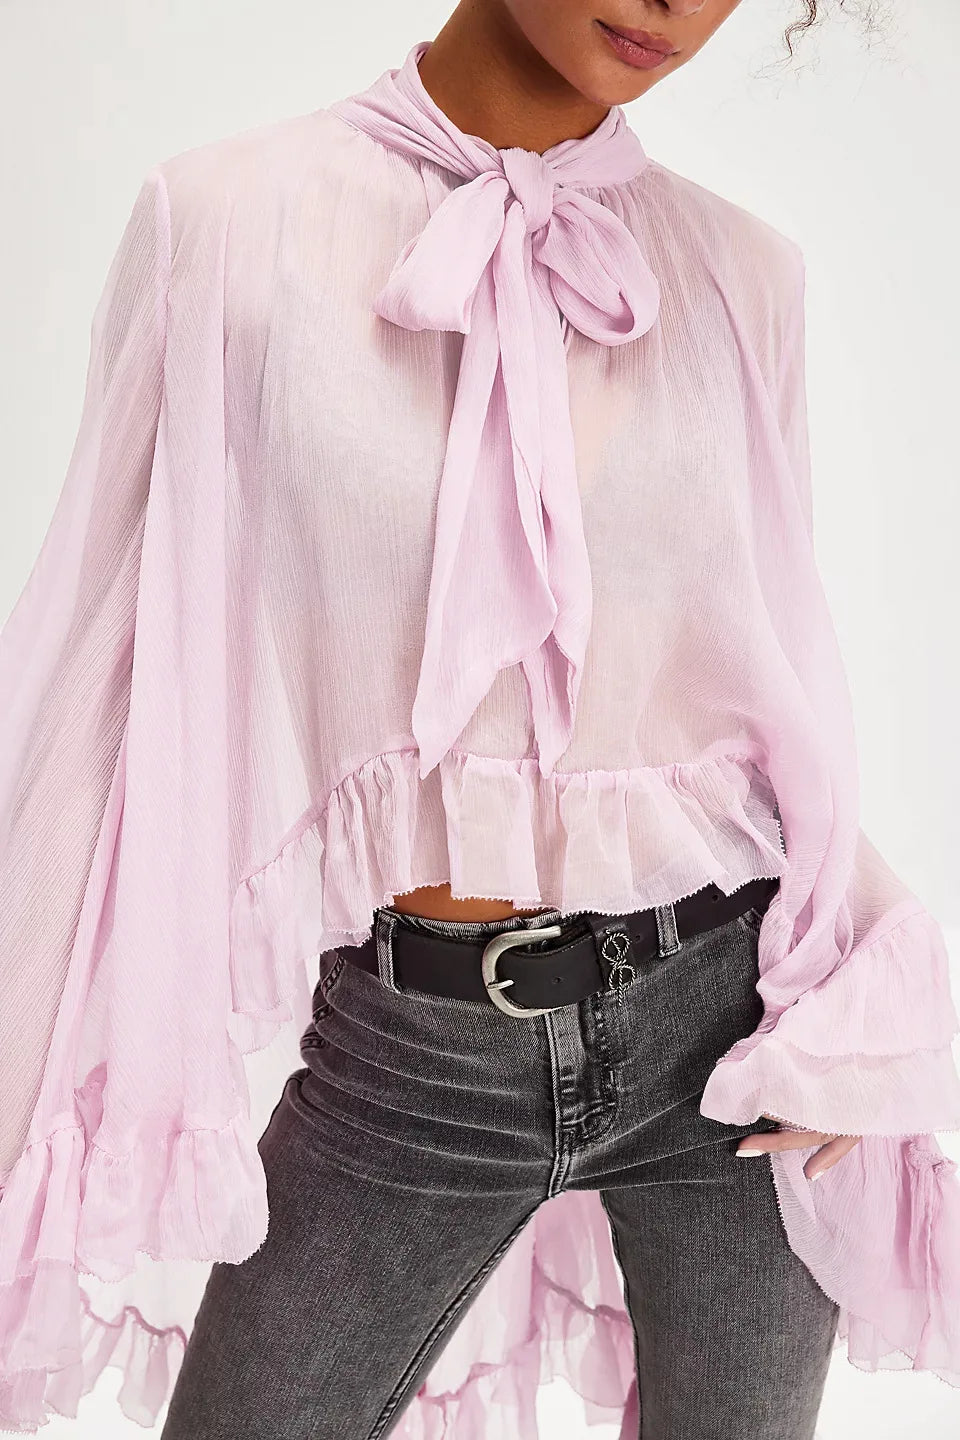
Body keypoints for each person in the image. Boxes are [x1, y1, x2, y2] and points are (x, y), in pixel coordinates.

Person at [2, 3, 959, 1438]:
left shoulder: (744, 279)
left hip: (734, 1042)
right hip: (408, 1059)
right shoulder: (224, 229)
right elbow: (97, 699)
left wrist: (874, 996)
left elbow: (774, 710)